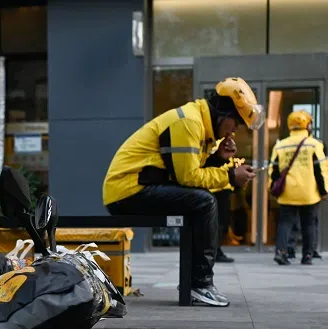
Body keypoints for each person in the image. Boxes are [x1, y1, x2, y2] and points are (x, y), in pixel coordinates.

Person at [102, 77, 262, 306]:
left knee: (201, 202)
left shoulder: (199, 124)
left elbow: (187, 172)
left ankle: (194, 282)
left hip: (138, 187)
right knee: (204, 203)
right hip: (127, 191)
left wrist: (218, 159)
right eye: (235, 123)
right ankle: (200, 284)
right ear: (222, 114)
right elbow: (188, 177)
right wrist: (229, 177)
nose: (234, 131)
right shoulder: (188, 122)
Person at [269, 110, 328, 265]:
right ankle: (307, 255)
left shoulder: (280, 146)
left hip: (288, 192)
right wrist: (324, 191)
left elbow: (273, 170)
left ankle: (281, 252)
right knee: (309, 224)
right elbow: (320, 170)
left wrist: (272, 189)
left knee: (285, 223)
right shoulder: (314, 144)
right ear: (307, 125)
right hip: (309, 192)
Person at [206, 134, 245, 264]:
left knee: (221, 223)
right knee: (218, 223)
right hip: (217, 188)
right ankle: (215, 251)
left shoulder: (222, 142)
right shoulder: (217, 143)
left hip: (222, 186)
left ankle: (215, 250)